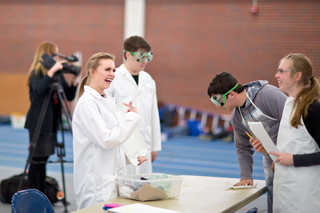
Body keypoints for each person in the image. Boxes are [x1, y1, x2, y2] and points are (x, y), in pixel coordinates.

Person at [72, 52, 147, 210]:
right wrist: (132, 119)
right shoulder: (87, 103)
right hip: (96, 184)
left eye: (113, 70)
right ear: (92, 71)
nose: (112, 74)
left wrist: (130, 157)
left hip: (109, 182)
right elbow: (106, 140)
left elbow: (111, 145)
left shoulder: (105, 100)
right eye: (107, 69)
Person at [207, 72, 287, 213]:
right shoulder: (237, 117)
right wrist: (245, 176)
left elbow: (295, 122)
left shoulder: (268, 95)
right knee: (275, 206)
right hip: (271, 162)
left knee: (295, 203)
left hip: (292, 157)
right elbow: (242, 147)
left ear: (231, 94)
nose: (218, 107)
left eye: (218, 101)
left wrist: (279, 148)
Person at [254, 53, 320, 212]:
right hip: (286, 190)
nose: (276, 75)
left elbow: (297, 155)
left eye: (282, 71)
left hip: (304, 195)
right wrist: (267, 148)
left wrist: (294, 159)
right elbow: (294, 146)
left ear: (297, 76)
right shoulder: (290, 104)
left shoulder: (313, 109)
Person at [24, 41, 79, 194]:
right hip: (38, 123)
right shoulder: (37, 73)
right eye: (55, 54)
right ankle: (33, 195)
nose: (57, 59)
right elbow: (39, 91)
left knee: (44, 161)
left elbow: (68, 95)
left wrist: (75, 80)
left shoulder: (57, 76)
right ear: (47, 55)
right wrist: (51, 71)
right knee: (36, 161)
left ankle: (41, 194)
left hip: (52, 123)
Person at [105, 36, 161, 174]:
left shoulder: (148, 80)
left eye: (147, 57)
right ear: (128, 55)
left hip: (145, 144)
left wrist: (155, 146)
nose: (144, 62)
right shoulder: (114, 78)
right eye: (140, 57)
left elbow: (154, 114)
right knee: (124, 187)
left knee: (143, 186)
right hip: (124, 144)